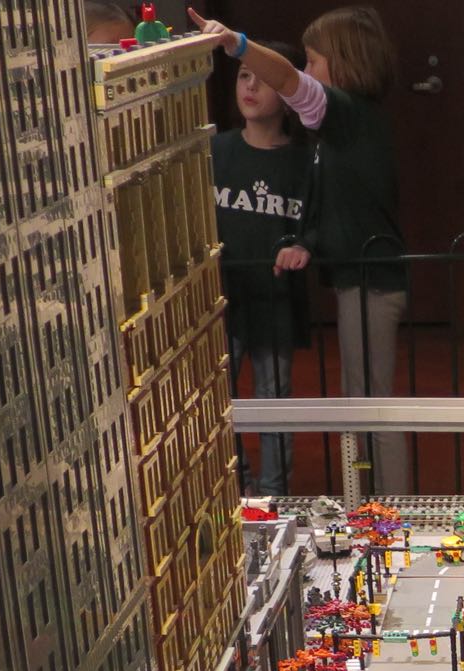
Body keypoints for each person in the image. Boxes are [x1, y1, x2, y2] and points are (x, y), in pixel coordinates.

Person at [188, 7, 409, 494]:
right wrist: (308, 244)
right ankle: (370, 507)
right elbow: (330, 206)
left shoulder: (347, 114)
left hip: (370, 282)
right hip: (360, 279)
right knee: (363, 402)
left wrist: (237, 45)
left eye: (313, 61)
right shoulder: (344, 124)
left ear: (343, 63)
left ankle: (389, 513)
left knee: (372, 406)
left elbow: (291, 83)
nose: (305, 73)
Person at [212, 41, 312, 497]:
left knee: (274, 398)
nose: (250, 87)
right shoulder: (217, 150)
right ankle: (241, 488)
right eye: (243, 76)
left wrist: (302, 246)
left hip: (275, 300)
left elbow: (313, 226)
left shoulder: (302, 160)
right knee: (220, 397)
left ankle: (275, 496)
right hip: (223, 297)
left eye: (263, 79)